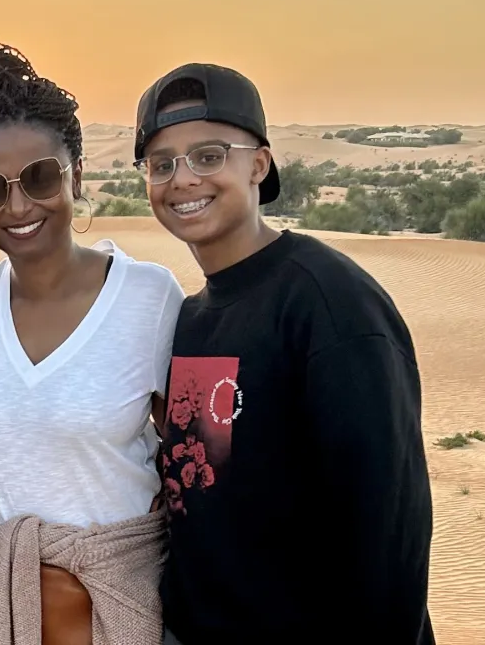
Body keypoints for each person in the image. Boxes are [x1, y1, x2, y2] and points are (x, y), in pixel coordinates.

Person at [133, 63, 435, 644]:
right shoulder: (192, 320)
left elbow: (389, 525)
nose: (182, 179)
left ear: (259, 164)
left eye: (209, 155)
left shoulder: (329, 302)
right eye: (162, 163)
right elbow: (206, 494)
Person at [0, 43, 183, 645]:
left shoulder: (150, 298)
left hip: (124, 605)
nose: (18, 206)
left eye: (40, 177)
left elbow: (201, 468)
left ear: (77, 175)